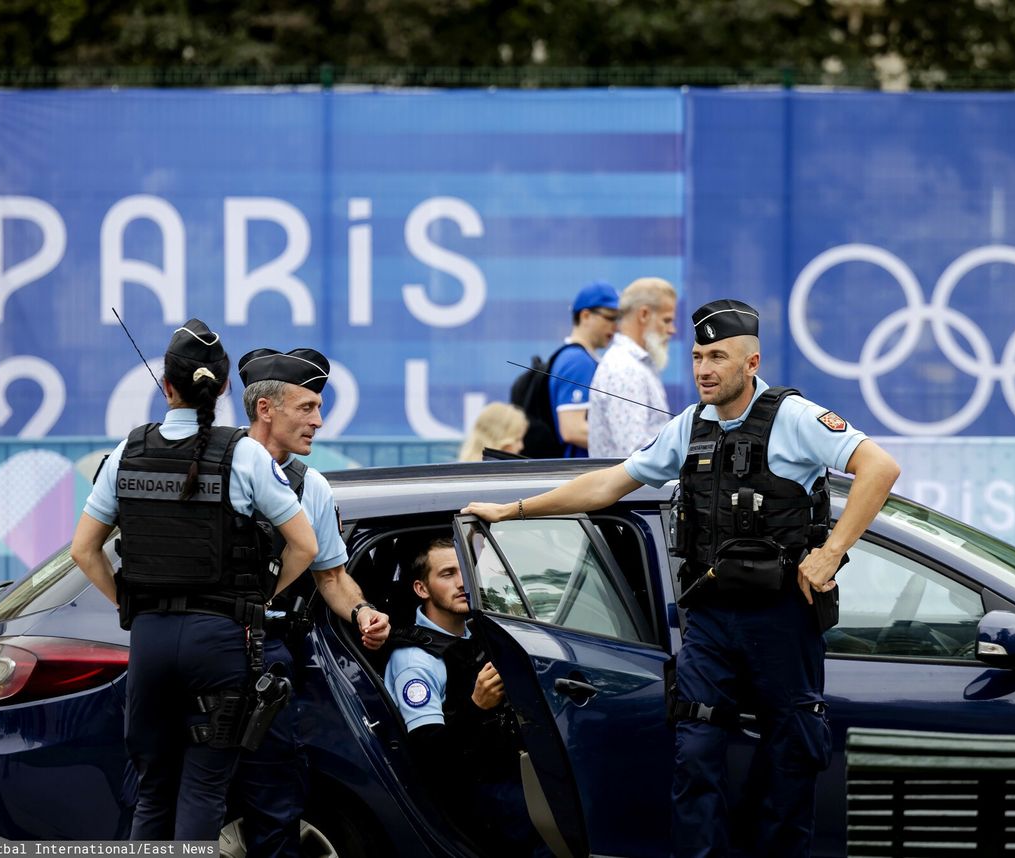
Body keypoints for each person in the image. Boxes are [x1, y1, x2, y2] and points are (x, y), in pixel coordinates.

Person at [463, 299, 901, 857]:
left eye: (717, 356)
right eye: (696, 356)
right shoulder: (689, 426)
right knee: (694, 755)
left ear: (751, 361)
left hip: (782, 619)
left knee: (790, 758)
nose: (703, 368)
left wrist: (832, 551)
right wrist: (515, 510)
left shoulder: (793, 417)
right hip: (711, 621)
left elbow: (880, 468)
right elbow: (607, 486)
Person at [70, 319, 318, 842]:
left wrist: (129, 604)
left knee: (152, 790)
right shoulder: (245, 455)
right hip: (221, 642)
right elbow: (305, 546)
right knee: (203, 791)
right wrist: (258, 597)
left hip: (151, 641)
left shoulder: (126, 452)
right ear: (226, 387)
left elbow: (83, 551)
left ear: (167, 386)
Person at [230, 346, 392, 858]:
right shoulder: (211, 469)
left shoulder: (310, 485)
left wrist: (364, 612)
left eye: (320, 408)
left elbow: (333, 577)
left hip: (269, 658)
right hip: (204, 647)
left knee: (276, 799)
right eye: (307, 407)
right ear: (265, 409)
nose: (319, 421)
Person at [384, 538, 544, 857]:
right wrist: (476, 706)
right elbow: (427, 754)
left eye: (465, 571)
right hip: (474, 793)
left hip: (512, 770)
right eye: (447, 574)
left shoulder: (475, 632)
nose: (462, 583)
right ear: (421, 589)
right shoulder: (416, 660)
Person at [587, 277, 677, 458]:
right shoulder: (625, 369)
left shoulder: (633, 364)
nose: (672, 330)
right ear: (643, 315)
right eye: (666, 320)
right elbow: (635, 453)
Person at [548, 281, 619, 458]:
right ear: (586, 316)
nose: (615, 326)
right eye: (610, 317)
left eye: (618, 319)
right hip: (578, 471)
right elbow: (572, 429)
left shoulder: (582, 358)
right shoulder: (577, 361)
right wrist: (627, 444)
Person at [458, 402, 528, 461]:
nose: (521, 446)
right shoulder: (496, 473)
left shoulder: (460, 471)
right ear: (501, 439)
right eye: (517, 439)